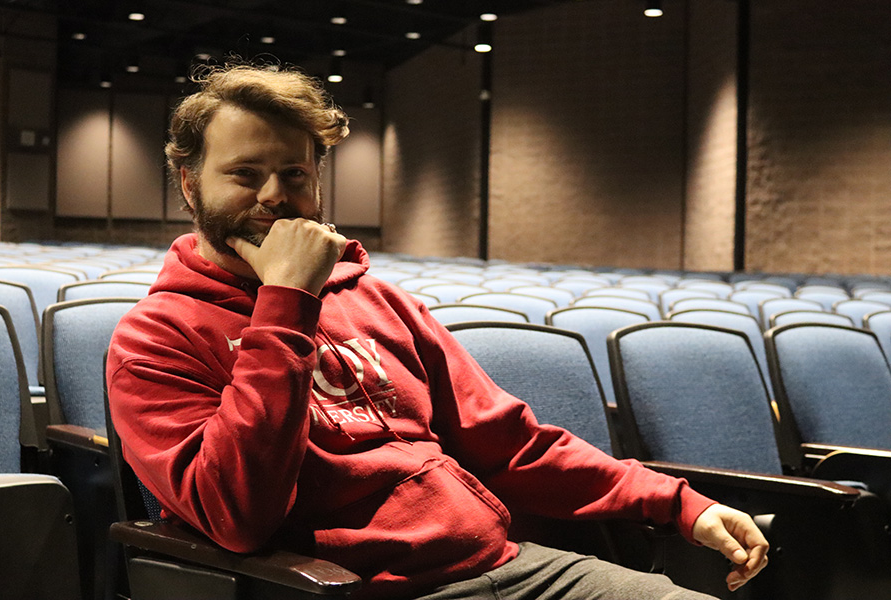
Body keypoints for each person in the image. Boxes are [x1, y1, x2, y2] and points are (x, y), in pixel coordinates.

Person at [106, 62, 768, 600]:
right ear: (189, 185)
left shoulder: (379, 300)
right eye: (245, 175)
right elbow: (238, 517)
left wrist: (678, 505)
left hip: (503, 564)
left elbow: (514, 446)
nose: (276, 196)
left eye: (296, 174)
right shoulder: (154, 340)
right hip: (352, 588)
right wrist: (286, 302)